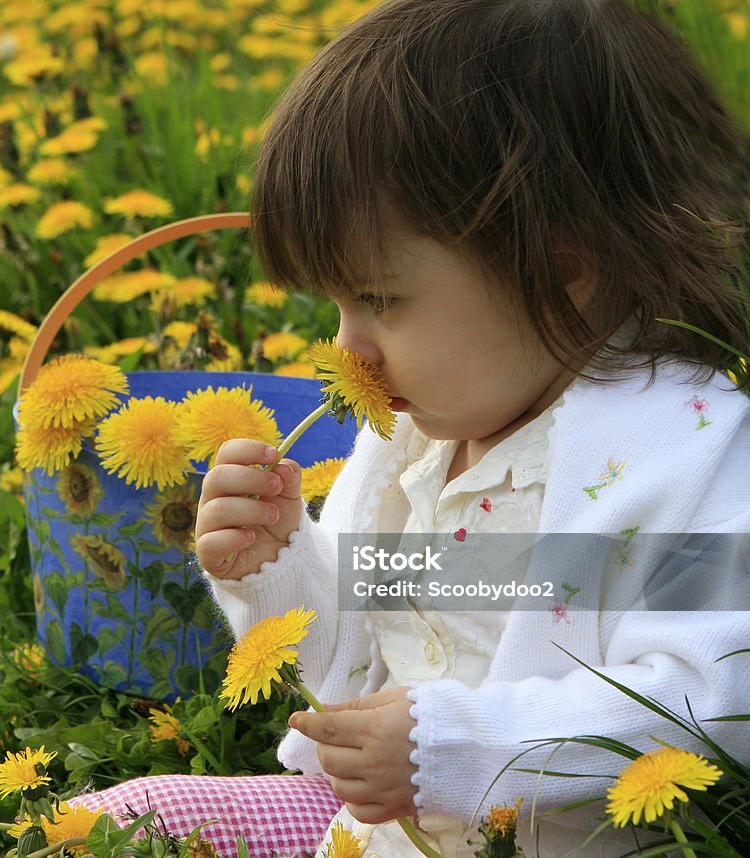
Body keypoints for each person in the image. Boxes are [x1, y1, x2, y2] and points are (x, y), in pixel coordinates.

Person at [191, 0, 750, 856]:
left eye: (378, 300)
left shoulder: (686, 451)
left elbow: (711, 698)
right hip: (382, 834)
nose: (351, 348)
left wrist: (458, 746)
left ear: (563, 269)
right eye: (340, 305)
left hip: (563, 844)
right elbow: (360, 665)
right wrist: (279, 565)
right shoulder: (417, 438)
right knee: (125, 817)